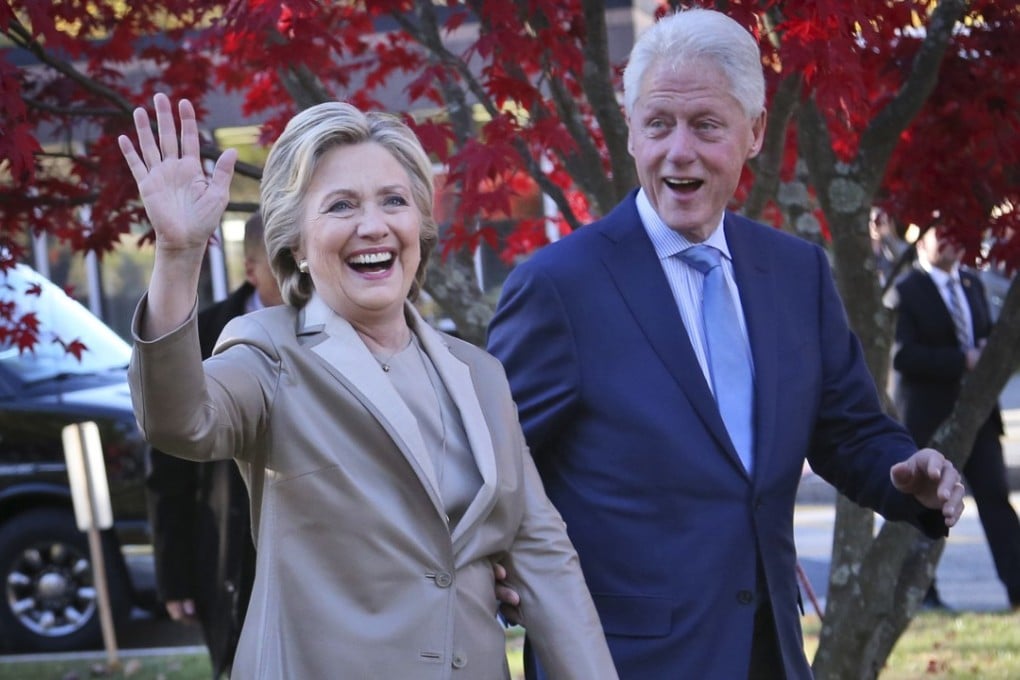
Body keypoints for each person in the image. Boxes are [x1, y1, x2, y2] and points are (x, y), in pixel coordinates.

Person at [486, 9, 966, 680]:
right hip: (619, 661)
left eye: (705, 125)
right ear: (630, 133)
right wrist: (500, 572)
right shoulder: (559, 287)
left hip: (767, 654)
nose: (678, 151)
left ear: (755, 131)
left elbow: (850, 430)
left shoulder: (796, 273)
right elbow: (491, 473)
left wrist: (908, 476)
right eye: (658, 125)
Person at [118, 93, 617, 679]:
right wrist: (177, 258)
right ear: (297, 245)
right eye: (341, 206)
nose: (373, 226)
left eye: (394, 201)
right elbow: (180, 421)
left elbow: (542, 557)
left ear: (420, 227)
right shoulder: (269, 350)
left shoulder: (479, 374)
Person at [144, 210, 282, 678]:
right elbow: (168, 467)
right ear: (251, 267)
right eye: (280, 263)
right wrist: (174, 573)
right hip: (228, 550)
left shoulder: (337, 332)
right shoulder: (202, 333)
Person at [891, 224, 1020, 612]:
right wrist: (960, 360)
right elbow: (902, 356)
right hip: (929, 421)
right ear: (920, 238)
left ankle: (1017, 587)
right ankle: (922, 595)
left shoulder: (972, 283)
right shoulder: (906, 289)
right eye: (939, 233)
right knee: (929, 507)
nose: (950, 241)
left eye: (955, 232)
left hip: (977, 417)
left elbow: (989, 337)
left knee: (996, 499)